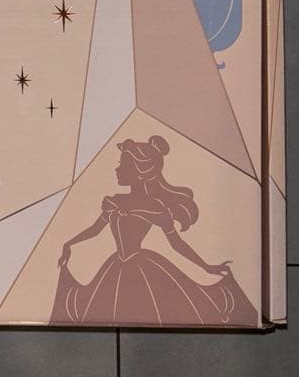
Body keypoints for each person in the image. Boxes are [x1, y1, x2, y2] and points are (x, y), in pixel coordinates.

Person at [52, 136, 256, 326]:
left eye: (123, 165)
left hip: (141, 269)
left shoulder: (154, 207)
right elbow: (95, 230)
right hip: (114, 268)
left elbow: (176, 244)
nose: (117, 169)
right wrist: (68, 244)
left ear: (140, 171)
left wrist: (206, 267)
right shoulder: (115, 201)